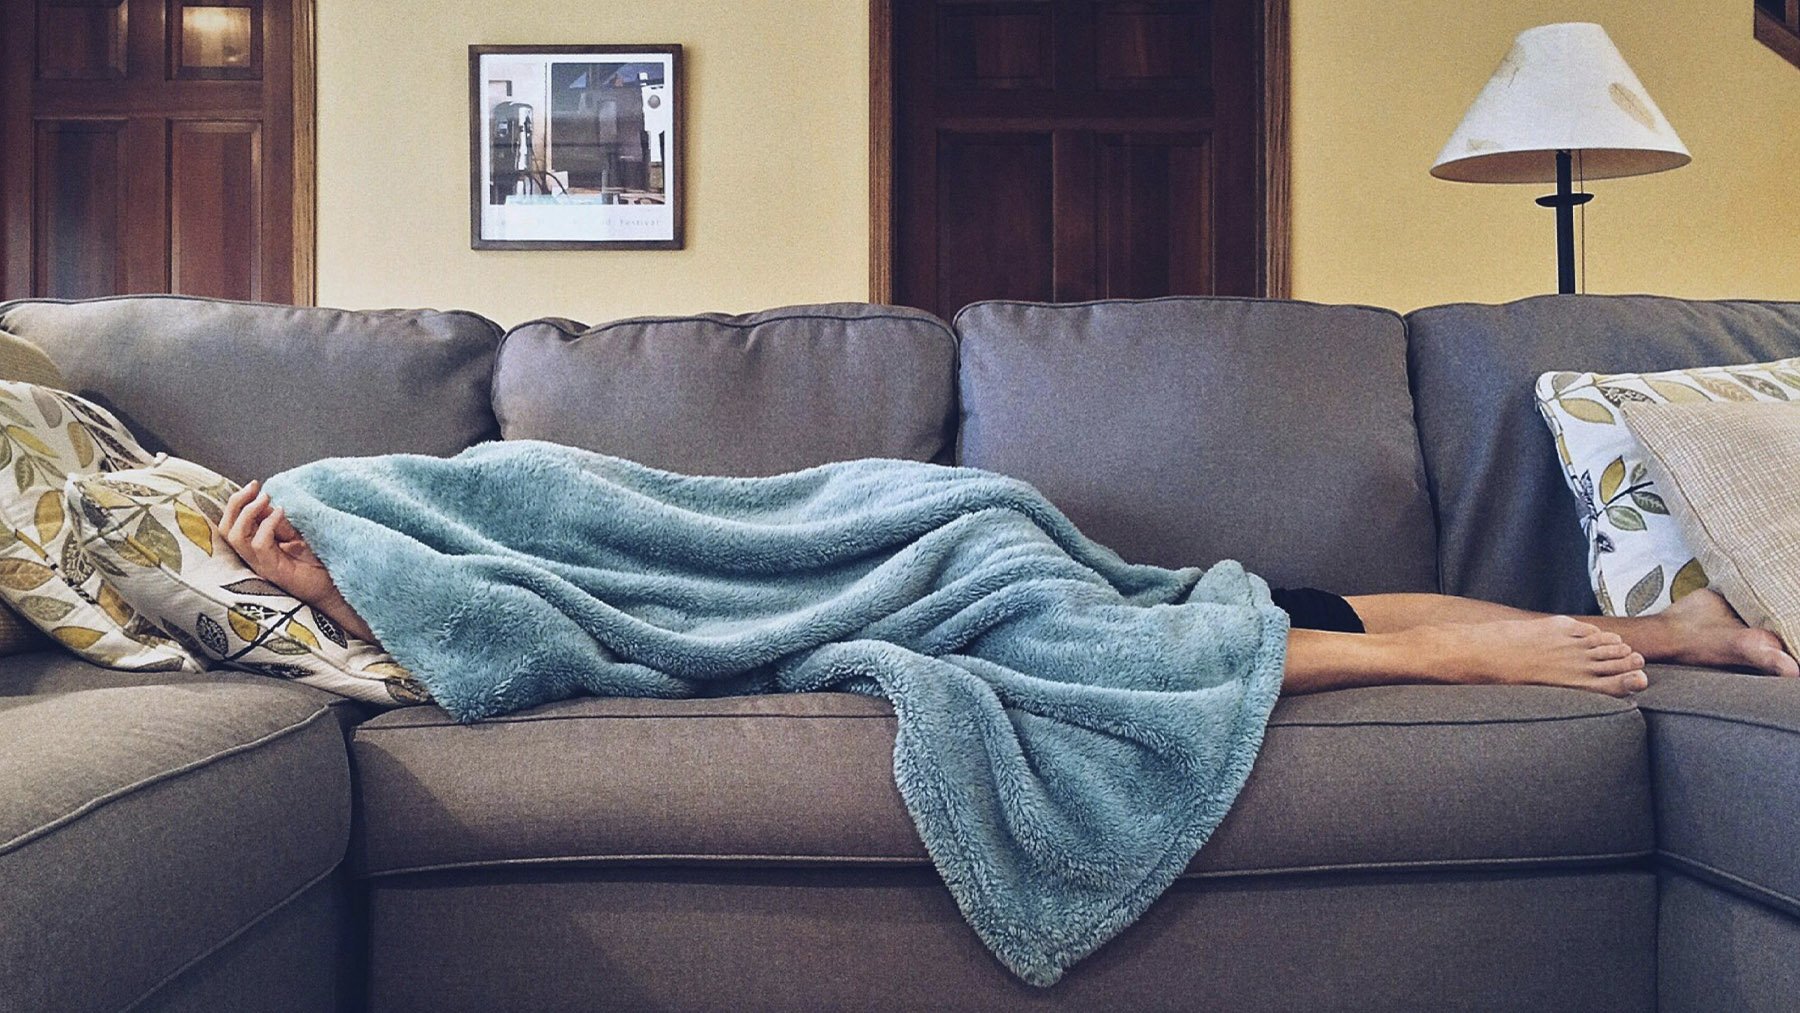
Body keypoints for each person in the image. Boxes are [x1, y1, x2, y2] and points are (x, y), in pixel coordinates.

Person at [218, 478, 1800, 700]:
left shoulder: (417, 499)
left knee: (1139, 636)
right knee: (1233, 594)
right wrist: (350, 587)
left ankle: (1479, 660)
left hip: (939, 536)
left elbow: (543, 599)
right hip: (955, 533)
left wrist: (347, 574)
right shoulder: (401, 535)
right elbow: (540, 618)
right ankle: (1671, 627)